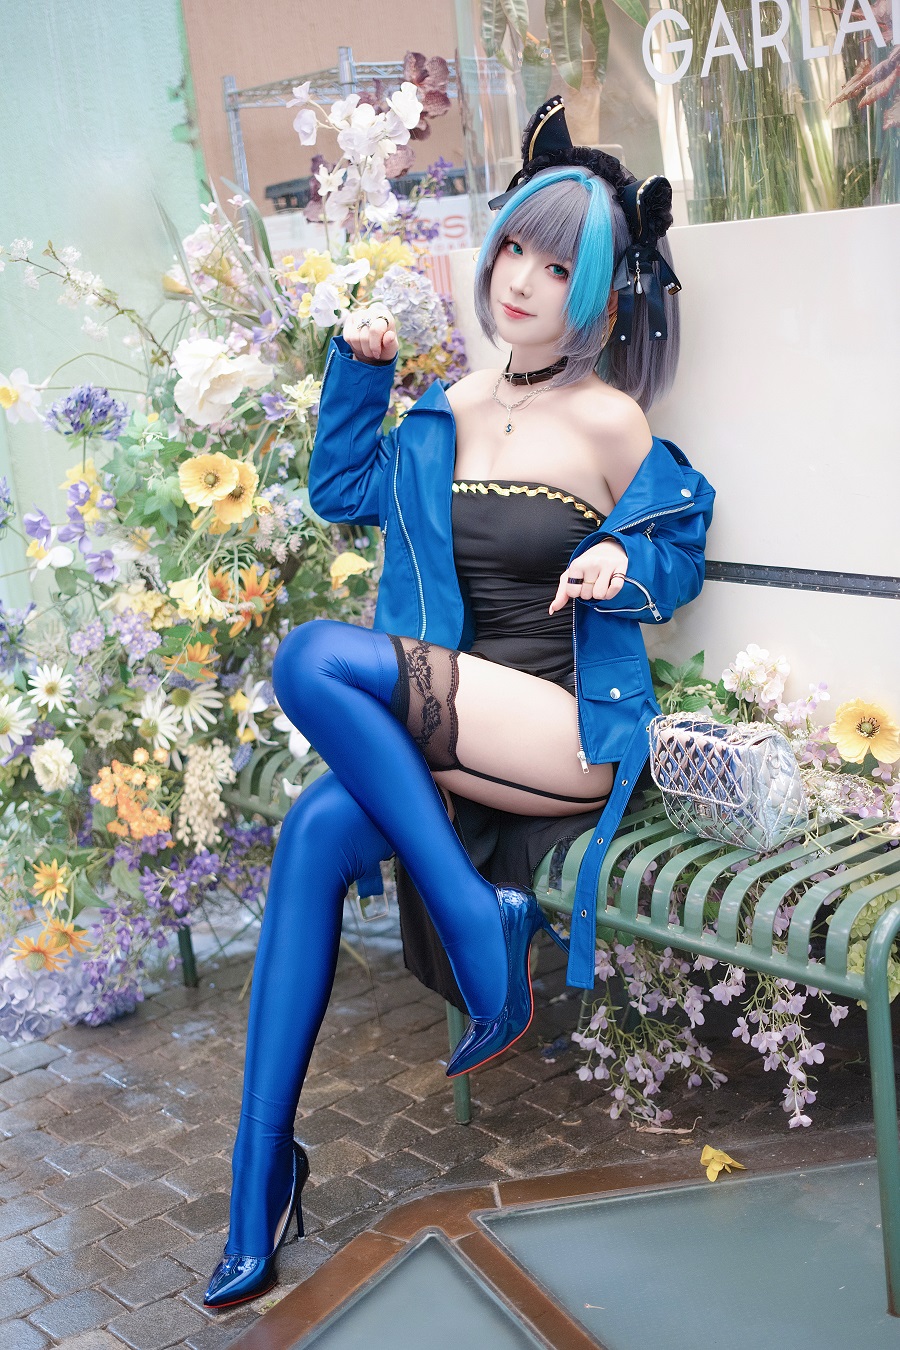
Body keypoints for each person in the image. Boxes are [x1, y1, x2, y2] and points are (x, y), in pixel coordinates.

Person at [203, 97, 715, 1310]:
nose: (524, 280)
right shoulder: (450, 406)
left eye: (560, 266)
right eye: (515, 250)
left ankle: (483, 926)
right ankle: (258, 1181)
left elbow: (682, 540)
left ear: (600, 293)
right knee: (313, 830)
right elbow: (342, 491)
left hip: (559, 731)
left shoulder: (608, 419)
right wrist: (362, 369)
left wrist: (623, 560)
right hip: (454, 731)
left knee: (314, 659)